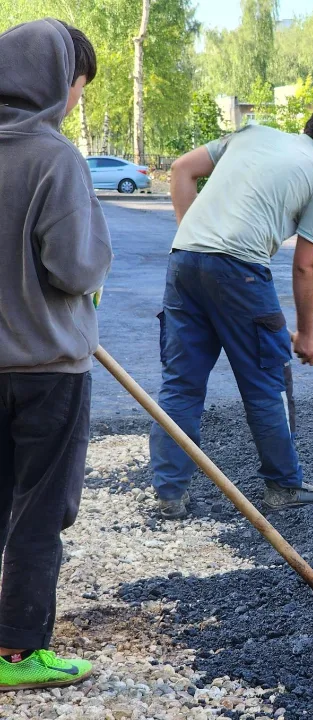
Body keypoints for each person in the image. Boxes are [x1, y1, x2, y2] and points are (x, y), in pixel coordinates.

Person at [149, 105, 313, 520]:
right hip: (240, 271)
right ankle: (284, 485)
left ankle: (169, 495)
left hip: (184, 261)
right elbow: (306, 264)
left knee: (181, 384)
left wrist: (191, 234)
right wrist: (307, 334)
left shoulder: (251, 134)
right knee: (267, 384)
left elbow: (181, 170)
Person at [0, 18, 111, 689]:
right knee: (39, 510)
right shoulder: (53, 157)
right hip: (46, 368)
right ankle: (16, 652)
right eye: (77, 87)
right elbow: (74, 267)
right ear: (52, 81)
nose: (75, 100)